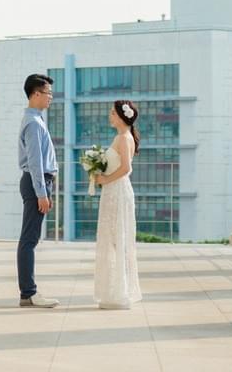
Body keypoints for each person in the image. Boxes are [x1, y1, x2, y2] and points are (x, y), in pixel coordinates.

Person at [91, 98, 143, 309]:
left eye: (112, 113)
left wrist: (104, 179)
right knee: (114, 238)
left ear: (122, 116)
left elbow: (126, 169)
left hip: (117, 191)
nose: (109, 116)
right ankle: (114, 291)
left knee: (116, 239)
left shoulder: (123, 137)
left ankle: (118, 293)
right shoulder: (123, 136)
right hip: (115, 191)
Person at [17, 73, 59, 307]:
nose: (50, 98)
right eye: (48, 93)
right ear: (35, 94)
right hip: (36, 182)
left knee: (29, 239)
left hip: (39, 181)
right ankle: (28, 293)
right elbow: (35, 162)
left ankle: (28, 292)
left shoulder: (36, 120)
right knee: (29, 240)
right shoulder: (33, 123)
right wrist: (42, 193)